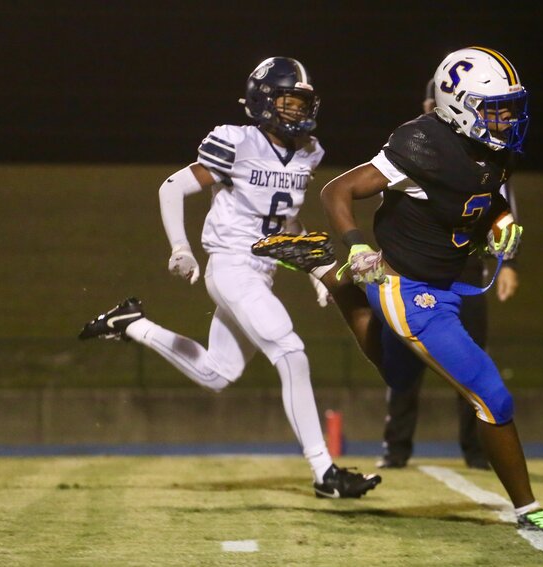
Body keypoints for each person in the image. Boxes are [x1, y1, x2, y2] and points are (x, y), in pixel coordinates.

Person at [253, 47, 543, 531]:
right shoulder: (422, 143)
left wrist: (500, 224)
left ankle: (332, 279)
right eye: (494, 108)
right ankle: (527, 508)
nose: (506, 118)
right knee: (491, 395)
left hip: (449, 277)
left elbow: (486, 198)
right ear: (457, 104)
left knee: (398, 376)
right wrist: (357, 246)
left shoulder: (494, 147)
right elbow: (336, 191)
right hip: (403, 280)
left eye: (510, 107)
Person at [78, 56, 381, 499]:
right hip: (231, 263)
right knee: (291, 350)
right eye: (289, 101)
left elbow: (286, 222)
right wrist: (179, 246)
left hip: (264, 269)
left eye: (303, 102)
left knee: (218, 373)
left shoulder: (310, 151)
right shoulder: (235, 142)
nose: (298, 111)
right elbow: (172, 187)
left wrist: (314, 269)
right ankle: (324, 472)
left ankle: (133, 324)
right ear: (263, 100)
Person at [376, 79, 521, 471]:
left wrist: (509, 261)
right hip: (415, 270)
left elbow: (499, 205)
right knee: (403, 365)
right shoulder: (415, 146)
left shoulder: (489, 152)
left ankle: (476, 450)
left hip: (466, 271)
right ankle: (396, 448)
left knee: (473, 362)